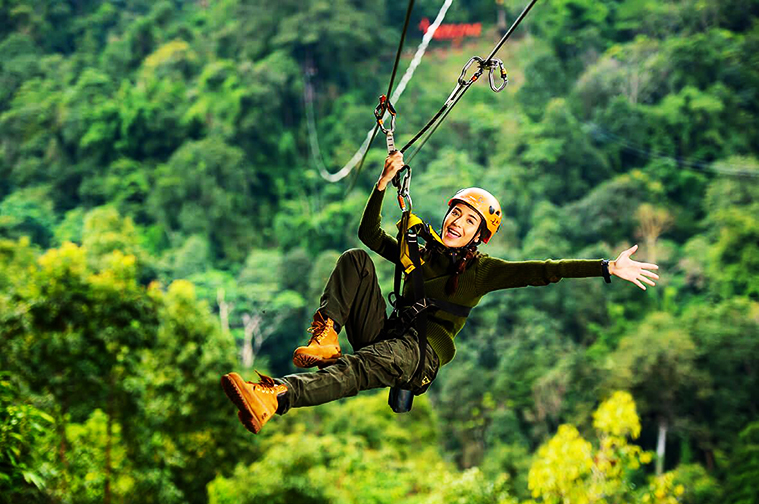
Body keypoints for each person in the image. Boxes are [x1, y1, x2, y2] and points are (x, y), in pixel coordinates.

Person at [221, 151, 660, 434]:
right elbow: (368, 233)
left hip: (417, 354)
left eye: (470, 221)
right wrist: (381, 183)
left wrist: (605, 267)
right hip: (386, 331)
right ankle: (326, 336)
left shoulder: (482, 272)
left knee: (357, 369)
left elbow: (543, 271)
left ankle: (275, 396)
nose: (457, 222)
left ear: (478, 237)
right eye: (456, 213)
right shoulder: (421, 253)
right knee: (355, 259)